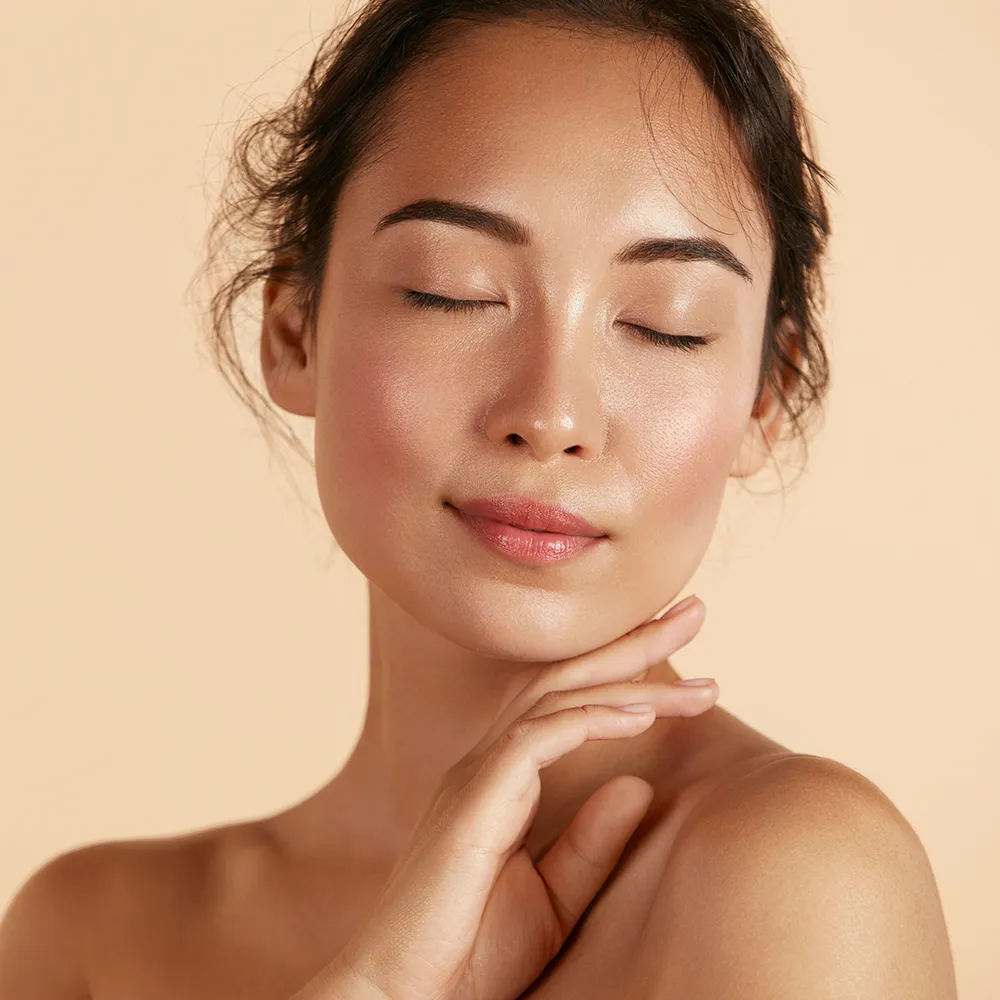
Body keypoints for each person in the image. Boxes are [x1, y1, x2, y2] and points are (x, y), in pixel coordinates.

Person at [0, 1, 958, 997]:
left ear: (764, 395)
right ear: (293, 328)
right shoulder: (92, 937)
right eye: (450, 290)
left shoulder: (800, 876)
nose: (550, 415)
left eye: (666, 325)